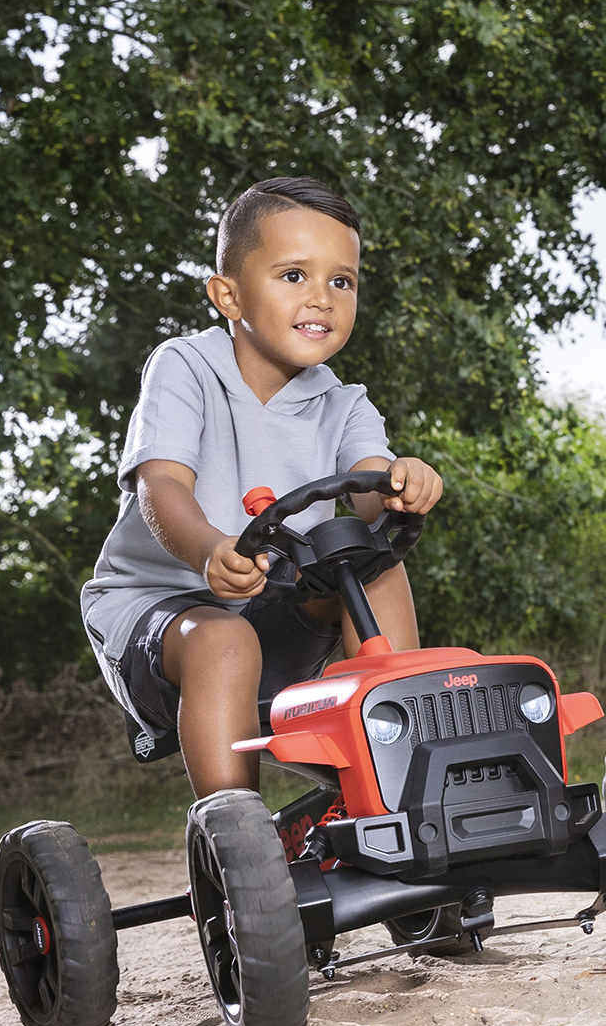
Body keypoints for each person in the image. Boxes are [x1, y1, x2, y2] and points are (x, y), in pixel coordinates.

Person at [80, 176, 444, 799]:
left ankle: (403, 774)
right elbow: (160, 485)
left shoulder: (343, 402)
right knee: (224, 640)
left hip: (275, 603)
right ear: (229, 295)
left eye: (342, 280)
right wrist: (207, 549)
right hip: (163, 613)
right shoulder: (186, 366)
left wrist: (402, 484)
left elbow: (371, 488)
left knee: (378, 568)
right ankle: (232, 830)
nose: (323, 298)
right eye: (294, 275)